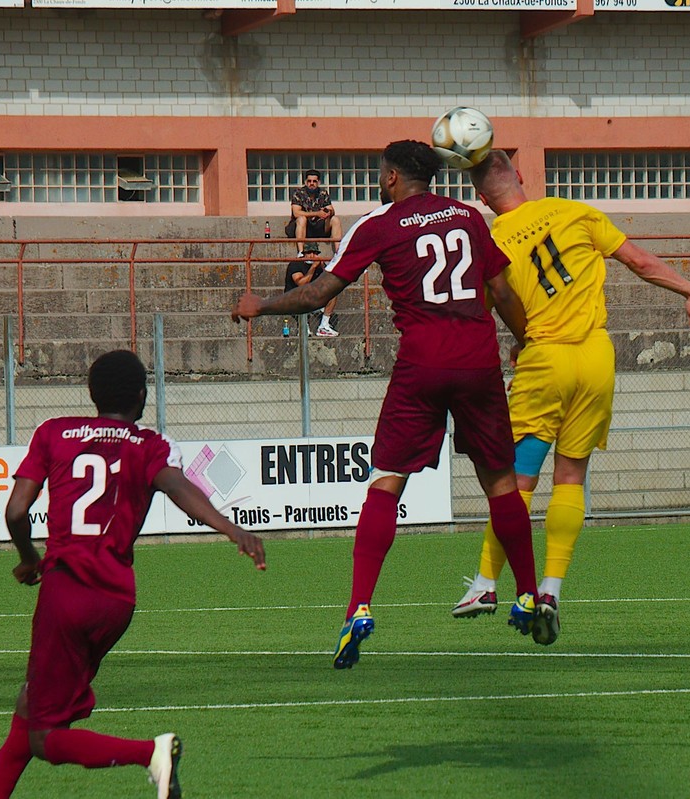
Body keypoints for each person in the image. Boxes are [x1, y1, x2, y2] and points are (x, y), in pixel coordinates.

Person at [232, 140, 541, 669]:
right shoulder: (468, 217)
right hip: (478, 362)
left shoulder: (379, 224)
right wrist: (524, 341)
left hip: (422, 365)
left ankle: (359, 607)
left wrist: (260, 305)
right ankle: (530, 595)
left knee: (386, 480)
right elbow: (505, 292)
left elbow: (317, 294)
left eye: (381, 173)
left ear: (393, 177)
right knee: (500, 482)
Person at [450, 150, 690, 645]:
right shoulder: (575, 212)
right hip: (596, 356)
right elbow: (639, 261)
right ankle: (551, 590)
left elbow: (487, 308)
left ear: (481, 198)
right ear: (521, 175)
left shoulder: (490, 240)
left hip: (545, 359)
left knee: (518, 479)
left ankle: (486, 583)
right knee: (571, 476)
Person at [0, 350, 267, 799]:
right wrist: (232, 529)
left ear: (91, 393)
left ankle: (151, 753)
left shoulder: (53, 432)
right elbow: (178, 487)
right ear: (141, 395)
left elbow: (17, 511)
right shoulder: (149, 444)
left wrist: (28, 558)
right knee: (30, 708)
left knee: (45, 738)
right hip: (115, 601)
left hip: (66, 594)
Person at [283, 242, 339, 337]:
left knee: (333, 292)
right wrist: (313, 267)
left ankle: (324, 326)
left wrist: (323, 268)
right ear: (304, 253)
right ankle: (303, 326)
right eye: (309, 253)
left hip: (313, 296)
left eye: (315, 253)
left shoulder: (319, 265)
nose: (312, 256)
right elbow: (301, 283)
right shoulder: (295, 264)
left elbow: (330, 280)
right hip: (294, 298)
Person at [285, 169, 344, 255]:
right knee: (302, 219)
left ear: (318, 182)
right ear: (305, 182)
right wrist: (317, 213)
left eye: (314, 181)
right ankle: (301, 253)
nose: (311, 183)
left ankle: (338, 253)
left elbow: (331, 210)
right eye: (309, 181)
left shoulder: (323, 193)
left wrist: (328, 212)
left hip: (317, 227)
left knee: (335, 219)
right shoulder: (298, 193)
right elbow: (296, 213)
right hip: (301, 227)